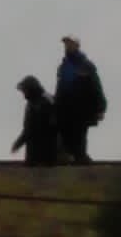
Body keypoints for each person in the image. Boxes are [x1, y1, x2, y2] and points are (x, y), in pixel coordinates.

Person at [53, 36, 106, 165]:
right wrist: (55, 107)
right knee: (64, 142)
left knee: (79, 141)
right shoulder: (63, 67)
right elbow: (60, 88)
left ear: (77, 46)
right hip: (65, 111)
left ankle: (82, 165)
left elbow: (96, 86)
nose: (67, 47)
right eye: (65, 44)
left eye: (70, 44)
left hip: (81, 111)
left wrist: (101, 107)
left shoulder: (86, 65)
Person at [10, 75, 60, 166]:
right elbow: (28, 129)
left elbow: (55, 127)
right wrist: (19, 143)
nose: (24, 95)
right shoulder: (31, 103)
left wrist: (18, 143)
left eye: (25, 91)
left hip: (47, 156)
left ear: (31, 89)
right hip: (33, 155)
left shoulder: (47, 101)